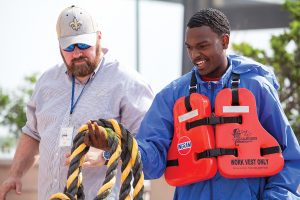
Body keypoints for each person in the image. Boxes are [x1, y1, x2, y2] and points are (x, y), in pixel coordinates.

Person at [84, 8, 300, 199]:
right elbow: (153, 162)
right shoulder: (172, 95)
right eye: (190, 48)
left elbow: (289, 157)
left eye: (202, 46)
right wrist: (115, 144)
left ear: (224, 41)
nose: (195, 55)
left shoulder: (257, 88)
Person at [0, 5, 154, 200]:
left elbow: (148, 150)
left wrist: (105, 156)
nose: (77, 53)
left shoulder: (128, 83)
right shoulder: (47, 82)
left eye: (83, 45)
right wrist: (15, 173)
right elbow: (32, 133)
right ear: (59, 45)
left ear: (99, 37)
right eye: (69, 47)